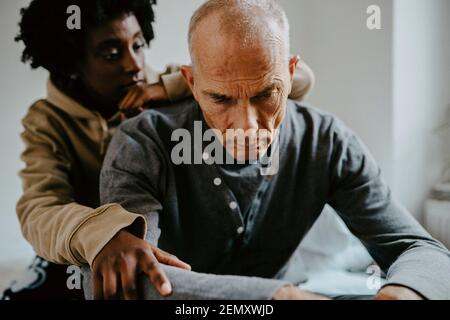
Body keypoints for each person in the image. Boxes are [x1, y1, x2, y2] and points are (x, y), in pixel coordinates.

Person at [87, 0, 450, 300]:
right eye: (220, 98)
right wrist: (281, 297)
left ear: (291, 74)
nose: (246, 125)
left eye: (265, 94)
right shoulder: (141, 143)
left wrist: (407, 291)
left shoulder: (327, 141)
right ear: (191, 84)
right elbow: (132, 279)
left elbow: (424, 251)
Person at [3, 0, 314, 300]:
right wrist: (103, 232)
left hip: (174, 247)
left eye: (137, 45)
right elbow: (39, 209)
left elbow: (297, 78)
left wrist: (172, 87)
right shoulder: (47, 122)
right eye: (112, 54)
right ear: (72, 64)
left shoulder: (172, 84)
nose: (134, 64)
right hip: (93, 251)